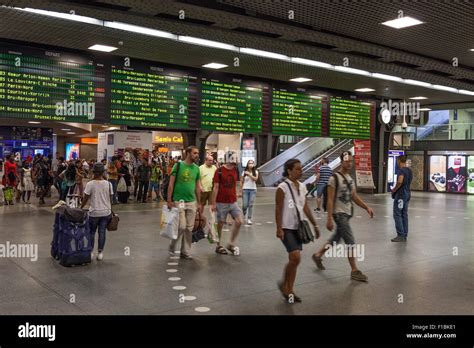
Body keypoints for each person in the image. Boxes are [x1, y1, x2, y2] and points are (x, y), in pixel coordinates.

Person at [312, 152, 374, 282]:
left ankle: (318, 255)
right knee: (350, 242)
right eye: (347, 161)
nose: (349, 163)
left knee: (336, 238)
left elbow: (354, 197)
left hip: (347, 213)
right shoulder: (334, 178)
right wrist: (329, 218)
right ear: (341, 162)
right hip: (339, 214)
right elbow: (329, 200)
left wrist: (366, 207)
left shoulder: (350, 179)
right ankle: (354, 270)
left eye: (351, 161)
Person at [276, 159, 320, 303]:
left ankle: (290, 289)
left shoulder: (302, 187)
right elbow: (278, 208)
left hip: (298, 227)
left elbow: (305, 207)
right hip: (286, 228)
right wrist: (279, 228)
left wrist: (315, 225)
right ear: (289, 171)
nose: (300, 171)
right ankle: (284, 284)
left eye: (301, 169)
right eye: (298, 169)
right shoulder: (282, 187)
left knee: (294, 261)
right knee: (295, 257)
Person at [167, 146, 202, 260]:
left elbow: (197, 186)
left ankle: (185, 251)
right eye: (195, 153)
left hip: (192, 202)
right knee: (181, 226)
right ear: (188, 153)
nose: (197, 155)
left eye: (197, 153)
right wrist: (169, 200)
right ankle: (172, 245)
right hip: (179, 201)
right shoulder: (178, 166)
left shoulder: (196, 168)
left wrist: (199, 202)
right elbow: (171, 184)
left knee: (189, 228)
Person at [211, 152, 243, 255]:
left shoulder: (235, 170)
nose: (236, 159)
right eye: (234, 157)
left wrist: (237, 193)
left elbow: (234, 184)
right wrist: (213, 203)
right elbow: (215, 187)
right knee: (220, 223)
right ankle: (218, 245)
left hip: (232, 201)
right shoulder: (219, 171)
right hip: (221, 202)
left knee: (239, 221)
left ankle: (230, 243)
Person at [81, 163, 113, 261]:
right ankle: (100, 253)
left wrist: (80, 207)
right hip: (106, 212)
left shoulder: (90, 184)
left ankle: (90, 252)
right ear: (103, 172)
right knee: (102, 232)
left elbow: (85, 198)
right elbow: (111, 199)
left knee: (91, 232)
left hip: (94, 212)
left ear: (93, 172)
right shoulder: (108, 184)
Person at [391, 155, 413, 242]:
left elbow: (400, 181)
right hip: (407, 194)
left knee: (397, 214)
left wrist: (394, 189)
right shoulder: (409, 171)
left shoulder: (401, 171)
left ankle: (400, 234)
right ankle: (405, 234)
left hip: (401, 195)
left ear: (399, 161)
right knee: (404, 214)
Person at [241, 159, 259, 225]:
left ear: (253, 164)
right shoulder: (244, 172)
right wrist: (241, 190)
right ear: (247, 165)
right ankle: (244, 213)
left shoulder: (256, 172)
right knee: (245, 205)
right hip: (245, 189)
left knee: (250, 204)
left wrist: (249, 174)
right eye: (249, 163)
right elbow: (241, 181)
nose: (251, 164)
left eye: (252, 163)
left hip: (253, 190)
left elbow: (255, 179)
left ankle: (249, 218)